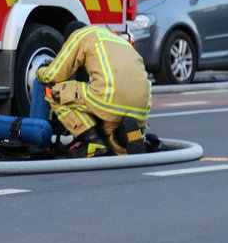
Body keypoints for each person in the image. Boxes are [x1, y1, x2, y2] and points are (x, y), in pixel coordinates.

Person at [36, 22, 151, 157]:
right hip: (141, 108)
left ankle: (94, 141)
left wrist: (40, 72)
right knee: (109, 130)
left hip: (109, 98)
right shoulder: (118, 40)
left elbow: (54, 74)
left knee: (53, 92)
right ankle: (122, 139)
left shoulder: (80, 35)